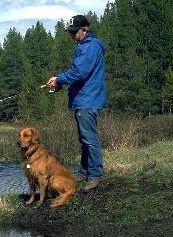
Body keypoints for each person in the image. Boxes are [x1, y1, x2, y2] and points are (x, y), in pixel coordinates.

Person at [42, 15, 106, 192]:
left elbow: (79, 73)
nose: (72, 35)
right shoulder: (88, 46)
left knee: (90, 139)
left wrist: (59, 79)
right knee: (84, 138)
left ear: (84, 29)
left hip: (87, 99)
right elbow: (79, 74)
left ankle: (95, 175)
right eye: (70, 32)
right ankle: (84, 172)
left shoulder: (89, 47)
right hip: (85, 99)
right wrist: (60, 83)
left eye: (74, 32)